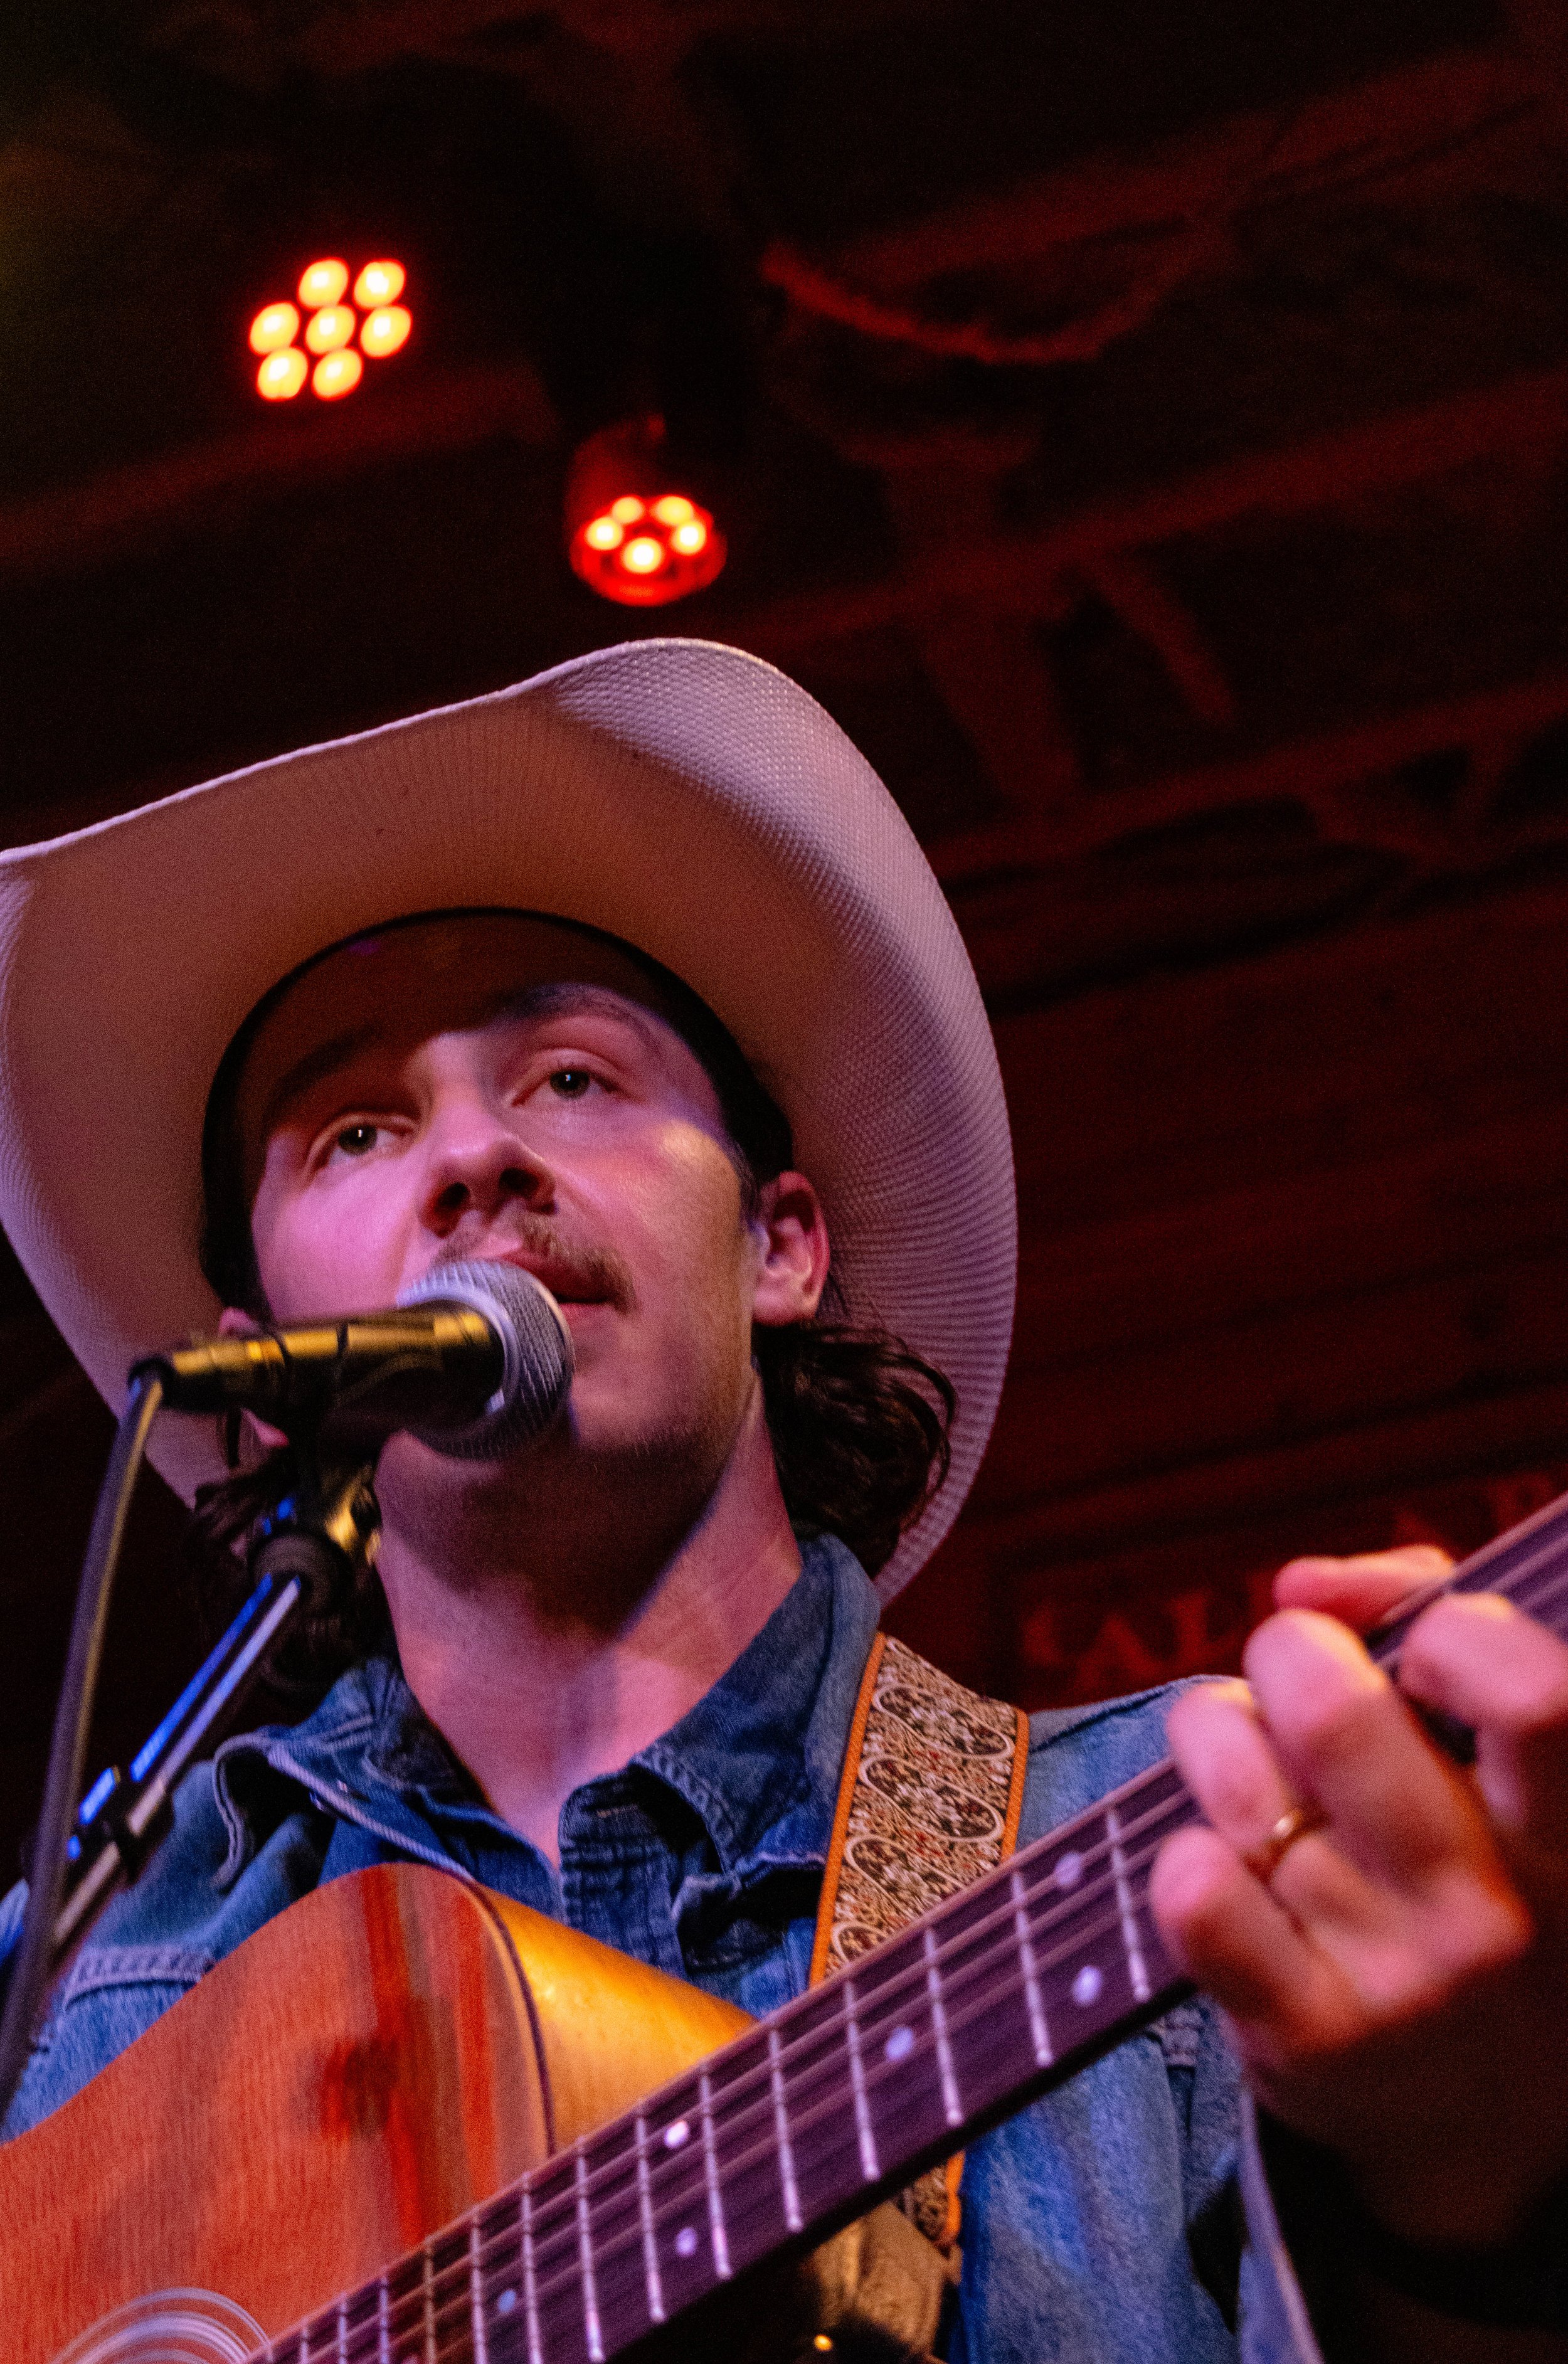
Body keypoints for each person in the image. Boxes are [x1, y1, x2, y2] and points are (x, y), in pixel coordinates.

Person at [0, 640, 1564, 2362]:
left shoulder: (1195, 1820)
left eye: (571, 1079)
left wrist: (1468, 2200)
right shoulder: (86, 1984)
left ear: (778, 1243)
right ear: (268, 1358)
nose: (469, 1159)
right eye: (356, 1133)